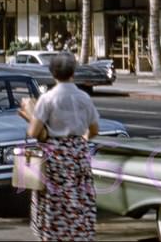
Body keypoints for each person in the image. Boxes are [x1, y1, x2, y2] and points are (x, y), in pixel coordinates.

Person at [19, 51, 99, 242]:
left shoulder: (47, 99)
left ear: (53, 73)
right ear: (73, 72)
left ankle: (54, 235)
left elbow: (33, 131)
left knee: (53, 202)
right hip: (78, 152)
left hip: (54, 155)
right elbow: (94, 129)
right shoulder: (84, 98)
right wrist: (80, 140)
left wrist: (29, 117)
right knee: (78, 198)